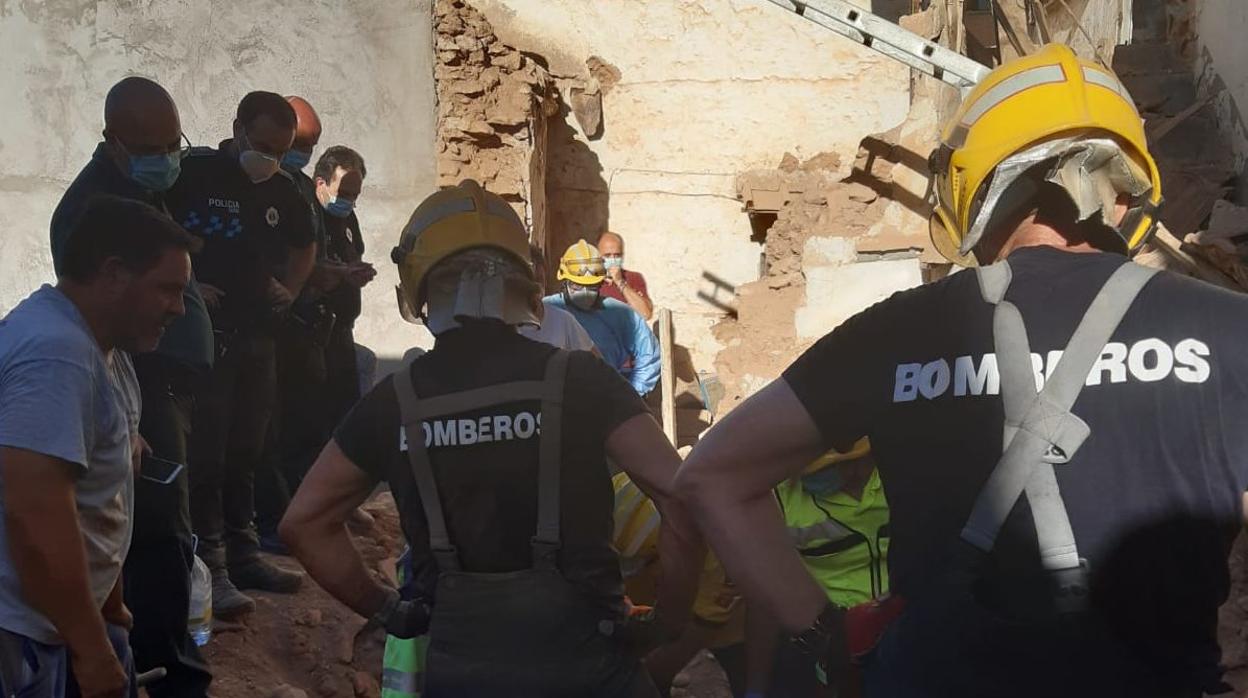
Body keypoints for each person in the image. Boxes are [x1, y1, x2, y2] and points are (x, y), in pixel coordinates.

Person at [675, 45, 1245, 698]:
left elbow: (712, 476)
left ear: (970, 185)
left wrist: (823, 636)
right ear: (1122, 194)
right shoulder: (1230, 332)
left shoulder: (895, 333)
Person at [280, 180, 703, 697]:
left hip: (462, 672)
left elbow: (304, 524)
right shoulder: (581, 380)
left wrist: (389, 609)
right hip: (593, 667)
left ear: (417, 288)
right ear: (522, 283)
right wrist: (669, 619)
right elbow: (681, 498)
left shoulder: (395, 402)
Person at [47, 76, 214, 698]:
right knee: (156, 535)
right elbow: (47, 517)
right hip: (138, 392)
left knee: (164, 524)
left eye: (174, 143)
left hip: (153, 386)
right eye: (154, 147)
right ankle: (167, 672)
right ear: (114, 142)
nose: (168, 158)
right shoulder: (91, 212)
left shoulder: (140, 193)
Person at [0, 196, 195, 698]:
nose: (178, 307)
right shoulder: (56, 355)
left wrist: (110, 608)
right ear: (113, 273)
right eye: (168, 290)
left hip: (57, 622)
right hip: (20, 634)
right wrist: (92, 650)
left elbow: (96, 499)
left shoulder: (105, 349)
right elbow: (36, 516)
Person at [166, 91, 314, 618]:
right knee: (207, 452)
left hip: (259, 335)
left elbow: (305, 243)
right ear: (237, 128)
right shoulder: (193, 173)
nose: (269, 157)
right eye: (262, 144)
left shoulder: (284, 187)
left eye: (280, 149)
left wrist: (290, 290)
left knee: (248, 449)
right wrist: (184, 284)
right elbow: (153, 227)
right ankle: (211, 567)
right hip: (207, 340)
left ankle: (245, 551)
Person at [741, 440, 889, 698]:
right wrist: (756, 689)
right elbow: (764, 599)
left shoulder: (902, 477)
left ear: (855, 460)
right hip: (826, 639)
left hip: (903, 625)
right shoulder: (778, 497)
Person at [545, 240, 661, 396]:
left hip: (605, 397)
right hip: (556, 397)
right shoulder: (547, 309)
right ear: (565, 282)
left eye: (591, 287)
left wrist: (632, 393)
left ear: (601, 284)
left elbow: (649, 354)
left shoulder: (618, 313)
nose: (585, 292)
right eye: (577, 286)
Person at [520, 244, 596, 352]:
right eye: (530, 280)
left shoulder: (563, 321)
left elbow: (596, 362)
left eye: (540, 280)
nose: (536, 287)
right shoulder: (504, 326)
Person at [597, 231, 653, 320]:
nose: (613, 259)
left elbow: (645, 314)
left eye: (617, 255)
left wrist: (620, 282)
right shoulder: (591, 281)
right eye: (607, 255)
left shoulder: (633, 278)